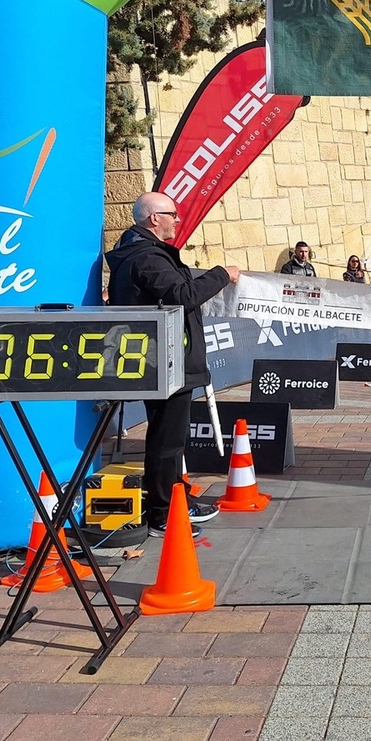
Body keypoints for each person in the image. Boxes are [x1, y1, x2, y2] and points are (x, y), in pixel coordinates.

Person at [106, 192, 239, 538]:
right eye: (173, 215)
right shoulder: (147, 257)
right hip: (165, 364)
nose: (177, 220)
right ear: (154, 219)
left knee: (167, 439)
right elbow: (183, 295)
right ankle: (164, 514)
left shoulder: (138, 252)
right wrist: (221, 274)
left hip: (159, 362)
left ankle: (172, 499)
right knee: (168, 441)